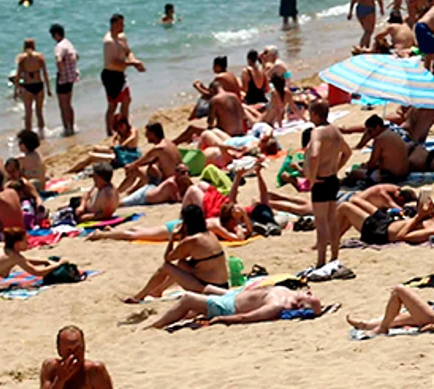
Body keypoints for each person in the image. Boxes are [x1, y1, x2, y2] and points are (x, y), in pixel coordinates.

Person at [148, 280, 325, 331]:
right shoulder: (291, 292)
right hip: (236, 296)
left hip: (229, 306)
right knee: (205, 287)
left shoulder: (277, 305)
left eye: (309, 296)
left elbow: (246, 317)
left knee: (187, 299)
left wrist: (221, 319)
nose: (308, 292)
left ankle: (156, 326)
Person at [304, 100, 352, 278]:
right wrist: (336, 168)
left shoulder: (318, 132)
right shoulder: (335, 131)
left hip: (322, 181)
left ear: (315, 114)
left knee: (321, 222)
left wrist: (312, 177)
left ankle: (321, 261)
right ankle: (335, 257)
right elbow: (347, 152)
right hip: (332, 179)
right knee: (332, 221)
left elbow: (315, 154)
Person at [100, 14, 144, 138]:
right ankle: (109, 131)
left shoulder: (122, 37)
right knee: (113, 105)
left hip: (120, 74)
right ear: (114, 24)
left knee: (127, 100)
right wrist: (133, 63)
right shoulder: (109, 42)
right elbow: (114, 62)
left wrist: (134, 61)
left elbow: (128, 51)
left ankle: (124, 125)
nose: (123, 26)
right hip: (110, 75)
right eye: (120, 24)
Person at [40, 325, 114, 389]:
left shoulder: (94, 372)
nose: (74, 356)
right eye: (69, 350)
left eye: (78, 349)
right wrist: (60, 380)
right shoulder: (51, 369)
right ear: (59, 350)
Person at [12, 37, 50, 135]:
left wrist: (15, 91)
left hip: (28, 86)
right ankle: (42, 134)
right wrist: (49, 88)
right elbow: (45, 73)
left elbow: (18, 75)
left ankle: (28, 135)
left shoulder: (21, 58)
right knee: (39, 112)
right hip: (39, 85)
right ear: (34, 46)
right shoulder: (40, 57)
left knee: (28, 113)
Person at [51, 24, 79, 136]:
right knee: (68, 104)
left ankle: (66, 128)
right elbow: (77, 56)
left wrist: (61, 73)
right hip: (71, 77)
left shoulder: (59, 46)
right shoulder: (68, 43)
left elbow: (59, 60)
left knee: (63, 105)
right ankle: (71, 126)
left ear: (56, 34)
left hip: (63, 78)